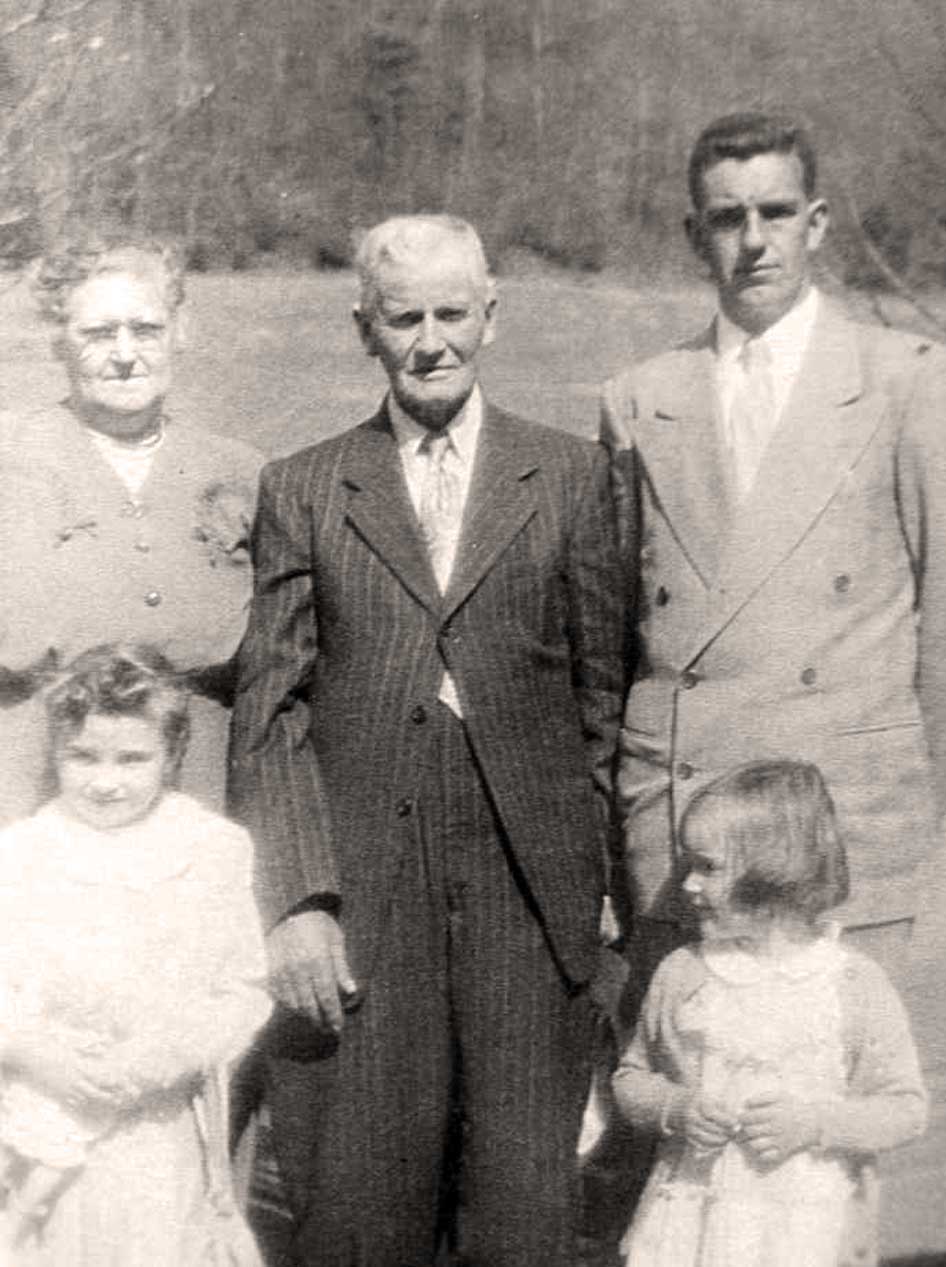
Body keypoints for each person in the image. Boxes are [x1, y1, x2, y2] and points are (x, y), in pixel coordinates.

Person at [228, 212, 624, 1266]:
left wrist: (586, 886)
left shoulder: (571, 476)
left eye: (453, 312)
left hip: (524, 891)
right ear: (364, 327)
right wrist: (300, 903)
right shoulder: (307, 486)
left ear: (492, 315)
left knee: (519, 1209)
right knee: (359, 1200)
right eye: (404, 317)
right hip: (366, 890)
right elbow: (271, 711)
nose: (431, 340)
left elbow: (599, 698)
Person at [599, 111, 946, 1005]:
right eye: (726, 219)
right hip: (690, 841)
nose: (753, 242)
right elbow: (612, 643)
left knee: (836, 1125)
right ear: (693, 235)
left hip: (845, 837)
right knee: (697, 1120)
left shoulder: (906, 380)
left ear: (818, 222)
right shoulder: (640, 399)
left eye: (777, 213)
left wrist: (933, 842)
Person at [0, 642, 271, 1264]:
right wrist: (34, 1053)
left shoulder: (208, 850)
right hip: (42, 1119)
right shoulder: (25, 852)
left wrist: (160, 1057)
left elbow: (241, 991)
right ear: (55, 752)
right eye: (83, 757)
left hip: (154, 1126)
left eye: (132, 758)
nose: (105, 780)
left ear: (172, 756)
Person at [613, 760, 927, 1267]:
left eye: (707, 867)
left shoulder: (851, 982)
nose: (688, 884)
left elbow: (905, 1109)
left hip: (809, 1225)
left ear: (774, 872)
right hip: (692, 1217)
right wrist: (678, 1109)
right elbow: (631, 1079)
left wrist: (815, 1123)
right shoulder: (684, 973)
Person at [0, 233, 262, 825]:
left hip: (201, 804)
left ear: (179, 332)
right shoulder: (8, 457)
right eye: (97, 334)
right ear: (57, 341)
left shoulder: (241, 472)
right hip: (30, 803)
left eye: (145, 329)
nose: (124, 354)